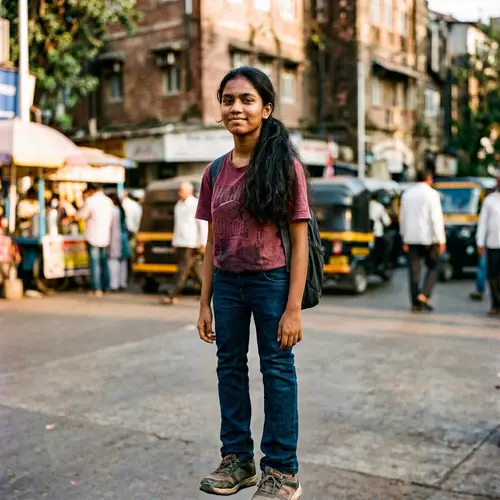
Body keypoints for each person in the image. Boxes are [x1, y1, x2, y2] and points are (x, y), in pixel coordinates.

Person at [196, 67, 309, 500]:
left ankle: (281, 471)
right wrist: (204, 301)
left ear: (266, 109)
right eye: (228, 100)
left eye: (246, 99)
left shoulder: (285, 167)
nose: (236, 107)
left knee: (277, 370)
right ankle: (238, 461)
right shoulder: (214, 172)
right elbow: (212, 240)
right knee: (229, 369)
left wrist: (293, 307)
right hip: (227, 285)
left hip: (271, 283)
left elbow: (299, 241)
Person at [400, 169, 446, 312]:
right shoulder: (432, 195)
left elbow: (403, 218)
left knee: (414, 270)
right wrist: (441, 239)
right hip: (429, 238)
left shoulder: (406, 195)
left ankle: (415, 302)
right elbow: (436, 218)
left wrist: (404, 238)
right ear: (429, 178)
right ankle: (424, 294)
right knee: (434, 266)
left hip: (411, 237)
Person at [161, 181, 207, 305]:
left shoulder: (195, 204)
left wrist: (203, 242)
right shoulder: (178, 205)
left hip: (191, 242)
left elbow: (202, 224)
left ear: (189, 191)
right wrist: (174, 242)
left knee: (182, 269)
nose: (180, 192)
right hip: (181, 241)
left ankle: (172, 294)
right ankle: (208, 292)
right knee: (195, 269)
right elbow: (177, 226)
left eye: (182, 190)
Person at [78, 183, 114, 297]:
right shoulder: (108, 201)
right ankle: (106, 287)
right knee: (103, 263)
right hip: (105, 236)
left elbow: (81, 216)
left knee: (95, 264)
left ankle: (96, 288)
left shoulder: (91, 201)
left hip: (93, 236)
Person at [476, 174, 500, 315]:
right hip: (493, 243)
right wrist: (480, 242)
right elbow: (483, 223)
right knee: (493, 275)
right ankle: (495, 304)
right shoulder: (489, 201)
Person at [108, 193, 131, 292]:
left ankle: (114, 284)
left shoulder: (114, 211)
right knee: (123, 262)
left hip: (116, 238)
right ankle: (122, 282)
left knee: (114, 261)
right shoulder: (121, 210)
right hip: (123, 237)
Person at [369, 193, 391, 274]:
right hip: (377, 234)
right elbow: (387, 222)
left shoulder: (365, 205)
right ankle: (381, 264)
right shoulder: (379, 206)